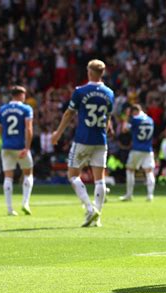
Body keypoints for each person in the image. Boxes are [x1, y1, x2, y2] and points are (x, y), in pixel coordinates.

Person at [52, 59, 114, 227]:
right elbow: (108, 117)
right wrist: (109, 128)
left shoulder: (80, 91)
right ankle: (98, 218)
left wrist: (57, 133)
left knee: (73, 175)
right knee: (99, 180)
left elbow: (68, 114)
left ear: (89, 72)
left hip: (83, 139)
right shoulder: (109, 93)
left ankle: (90, 209)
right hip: (101, 140)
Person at [0, 86, 34, 216]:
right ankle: (25, 203)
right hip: (20, 147)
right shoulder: (26, 109)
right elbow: (28, 129)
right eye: (24, 95)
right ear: (20, 95)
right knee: (28, 173)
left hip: (6, 146)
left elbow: (0, 128)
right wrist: (27, 147)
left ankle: (9, 209)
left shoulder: (2, 109)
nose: (24, 97)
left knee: (8, 177)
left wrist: (5, 140)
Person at [119, 103, 156, 202]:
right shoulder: (150, 120)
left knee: (130, 170)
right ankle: (150, 195)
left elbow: (124, 129)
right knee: (149, 172)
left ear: (135, 111)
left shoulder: (135, 120)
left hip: (136, 149)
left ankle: (129, 195)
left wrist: (126, 117)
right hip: (148, 149)